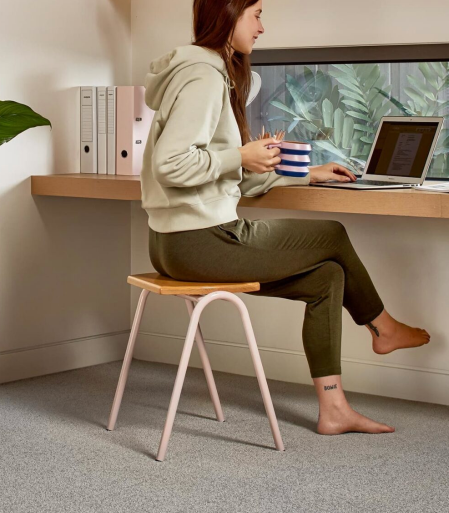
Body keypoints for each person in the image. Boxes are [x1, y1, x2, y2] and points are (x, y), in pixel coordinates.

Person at [141, 0, 431, 435]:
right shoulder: (202, 75)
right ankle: (383, 327)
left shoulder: (206, 73)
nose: (261, 27)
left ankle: (334, 409)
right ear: (228, 13)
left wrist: (303, 174)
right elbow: (172, 164)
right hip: (200, 240)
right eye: (256, 14)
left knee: (328, 277)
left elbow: (221, 176)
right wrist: (240, 154)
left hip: (175, 242)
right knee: (332, 233)